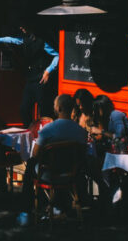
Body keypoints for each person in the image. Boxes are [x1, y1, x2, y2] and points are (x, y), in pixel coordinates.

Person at [17, 94, 88, 227]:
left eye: (55, 105)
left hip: (49, 174)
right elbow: (82, 154)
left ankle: (25, 211)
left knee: (31, 163)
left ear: (59, 108)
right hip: (71, 174)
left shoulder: (48, 129)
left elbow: (35, 153)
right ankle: (58, 205)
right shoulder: (80, 131)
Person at [0, 24, 59, 127]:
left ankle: (45, 135)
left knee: (44, 111)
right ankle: (30, 130)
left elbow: (57, 55)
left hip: (41, 80)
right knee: (24, 109)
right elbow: (13, 40)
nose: (21, 28)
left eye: (23, 26)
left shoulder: (42, 41)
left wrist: (48, 71)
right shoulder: (25, 39)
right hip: (30, 79)